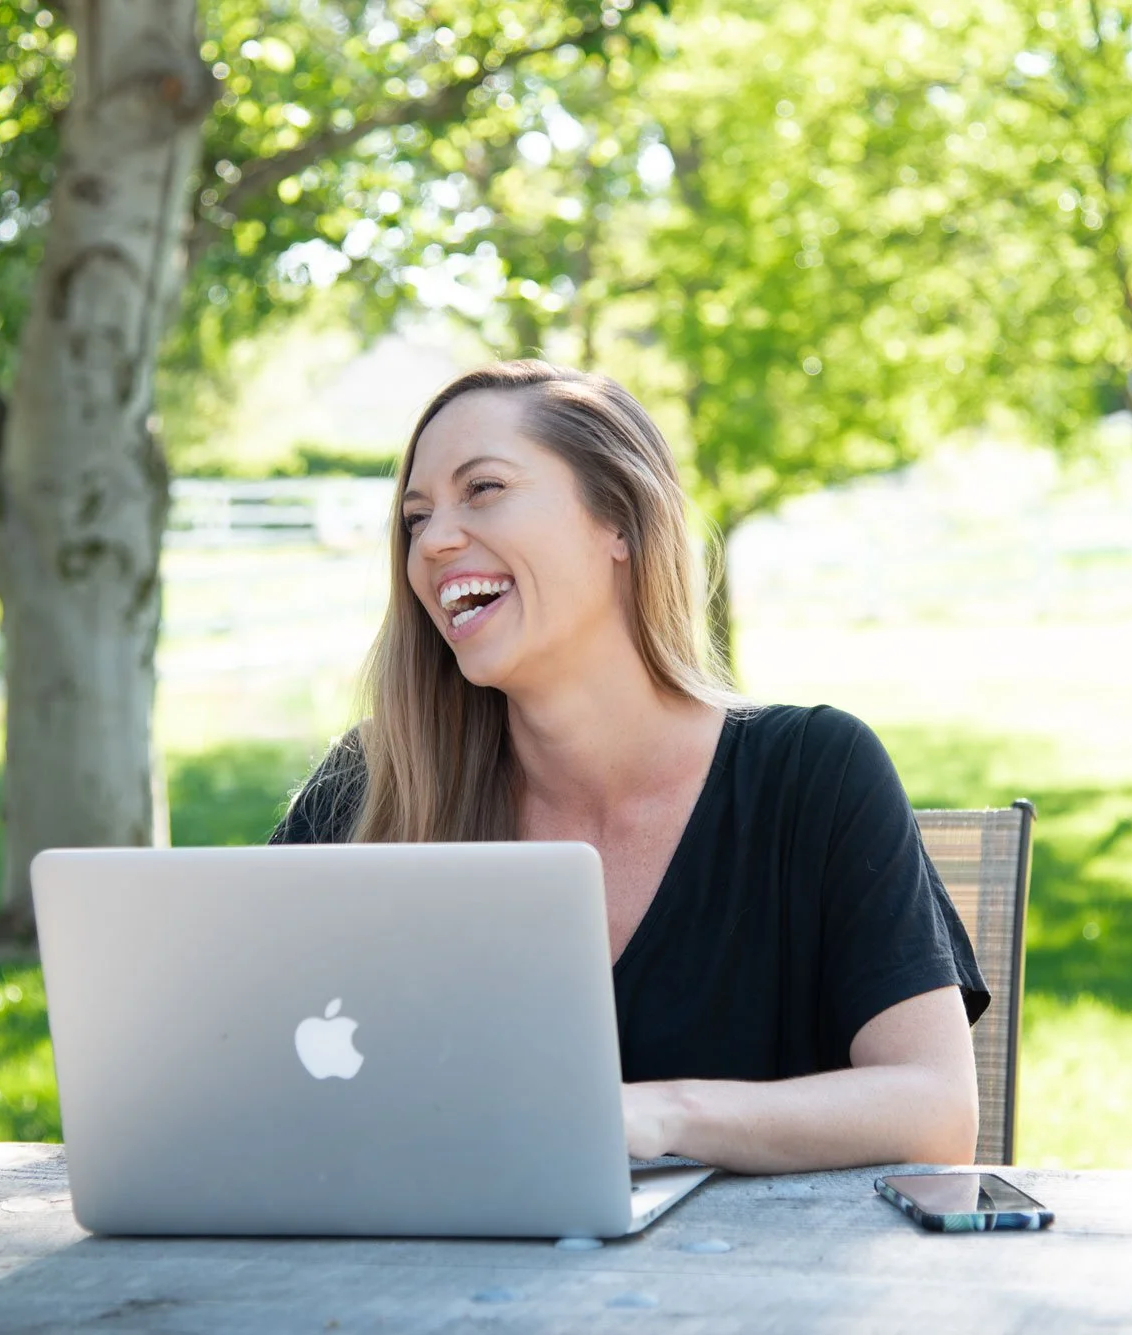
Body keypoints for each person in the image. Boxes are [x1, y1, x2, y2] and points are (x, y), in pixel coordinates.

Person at [272, 360, 988, 1173]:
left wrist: (656, 1113)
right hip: (408, 1285)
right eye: (415, 516)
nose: (433, 540)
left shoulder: (813, 774)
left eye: (484, 489)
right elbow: (232, 1059)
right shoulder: (373, 788)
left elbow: (934, 1112)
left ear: (619, 521)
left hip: (758, 1292)